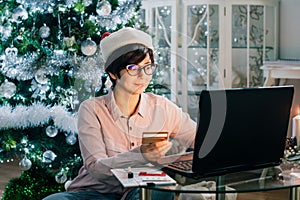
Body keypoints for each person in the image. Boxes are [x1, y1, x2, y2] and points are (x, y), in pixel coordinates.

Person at [43, 27, 196, 200]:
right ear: (113, 73)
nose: (143, 76)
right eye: (133, 68)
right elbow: (96, 167)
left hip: (141, 191)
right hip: (94, 193)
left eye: (147, 67)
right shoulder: (92, 109)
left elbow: (200, 139)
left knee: (161, 191)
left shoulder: (163, 108)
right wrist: (141, 154)